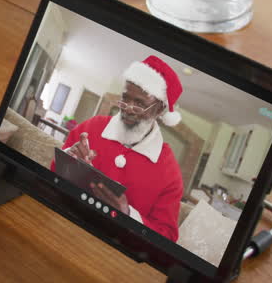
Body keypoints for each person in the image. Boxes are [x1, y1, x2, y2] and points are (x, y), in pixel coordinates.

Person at [52, 56, 185, 241]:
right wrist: (68, 159)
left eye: (140, 103)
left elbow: (167, 237)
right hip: (62, 223)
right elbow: (51, 175)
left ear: (160, 109)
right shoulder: (91, 127)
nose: (128, 108)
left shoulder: (169, 172)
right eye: (125, 98)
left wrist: (127, 215)